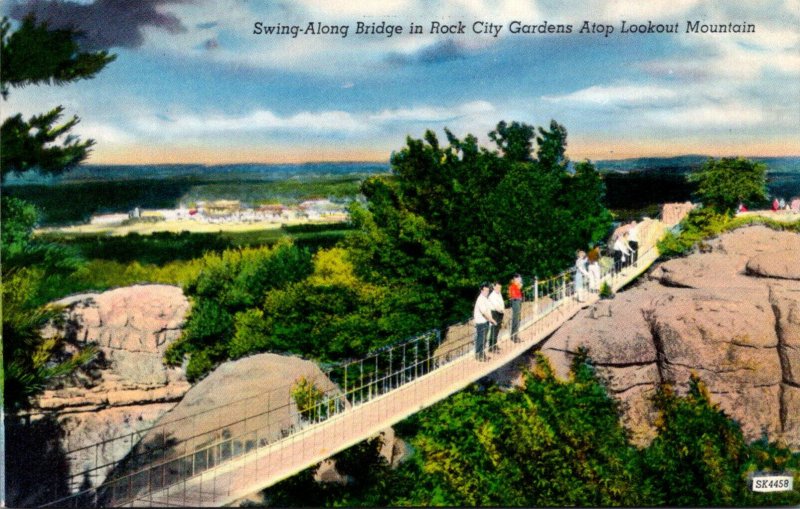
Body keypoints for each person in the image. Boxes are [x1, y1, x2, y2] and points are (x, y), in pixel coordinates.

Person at [473, 283, 496, 361]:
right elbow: (484, 313)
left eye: (488, 291)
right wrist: (491, 320)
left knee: (483, 339)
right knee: (481, 338)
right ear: (481, 290)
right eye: (486, 291)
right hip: (481, 322)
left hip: (485, 322)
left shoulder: (485, 298)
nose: (487, 292)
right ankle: (479, 355)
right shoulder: (480, 299)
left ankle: (481, 354)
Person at [488, 282, 505, 352]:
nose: (499, 289)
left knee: (497, 329)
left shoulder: (499, 294)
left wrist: (502, 310)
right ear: (494, 287)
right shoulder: (492, 296)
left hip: (500, 313)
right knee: (494, 329)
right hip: (495, 313)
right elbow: (496, 306)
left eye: (500, 288)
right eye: (497, 287)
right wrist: (501, 310)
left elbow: (501, 303)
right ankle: (491, 347)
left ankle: (495, 344)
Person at [508, 274, 523, 342]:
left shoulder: (516, 286)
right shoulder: (513, 286)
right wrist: (518, 286)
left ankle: (515, 335)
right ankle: (514, 336)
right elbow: (514, 296)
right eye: (519, 280)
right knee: (515, 320)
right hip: (515, 301)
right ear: (515, 279)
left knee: (518, 319)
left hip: (518, 301)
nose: (520, 281)